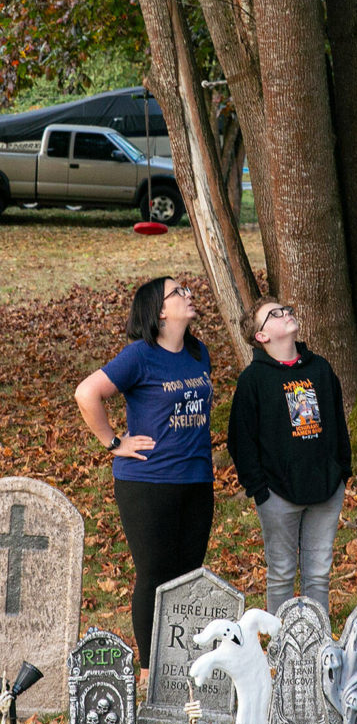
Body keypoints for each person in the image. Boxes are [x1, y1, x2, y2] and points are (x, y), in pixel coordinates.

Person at [75, 277, 214, 683]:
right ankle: (150, 672)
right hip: (147, 482)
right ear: (158, 312)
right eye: (178, 293)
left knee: (189, 575)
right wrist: (113, 441)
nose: (188, 295)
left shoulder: (198, 352)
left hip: (196, 480)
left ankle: (179, 667)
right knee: (154, 573)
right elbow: (88, 393)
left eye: (187, 290)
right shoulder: (139, 355)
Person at [227, 297, 352, 616]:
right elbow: (240, 441)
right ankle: (282, 649)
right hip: (278, 495)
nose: (286, 314)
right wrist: (260, 490)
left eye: (286, 310)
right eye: (275, 314)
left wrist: (341, 473)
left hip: (325, 489)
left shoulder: (320, 368)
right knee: (281, 574)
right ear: (261, 336)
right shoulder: (253, 381)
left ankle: (318, 648)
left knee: (318, 575)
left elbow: (337, 422)